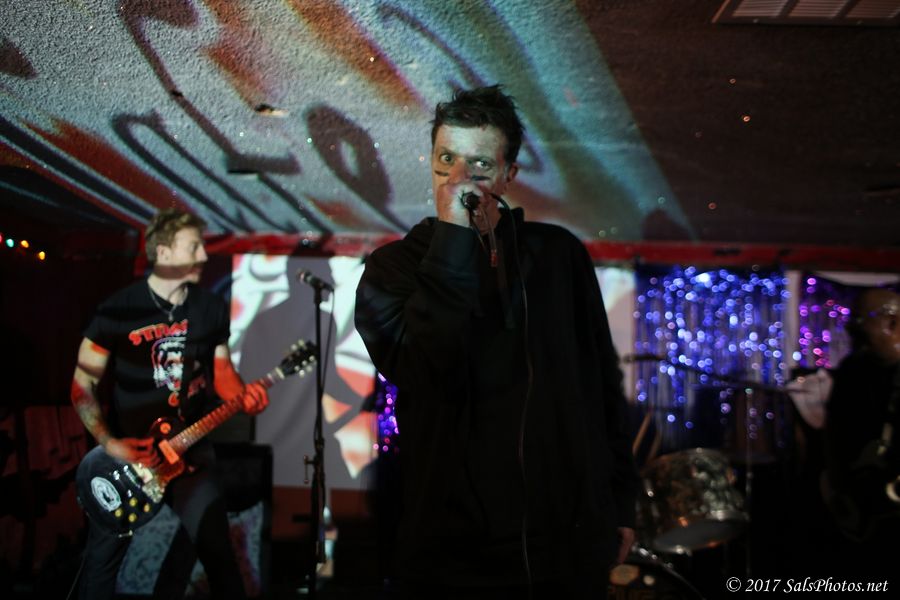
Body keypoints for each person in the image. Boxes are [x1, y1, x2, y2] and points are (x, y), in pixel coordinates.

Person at [355, 85, 639, 598]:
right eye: (448, 159)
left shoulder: (557, 256)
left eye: (481, 165)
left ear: (509, 174)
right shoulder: (392, 269)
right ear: (431, 161)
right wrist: (453, 239)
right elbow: (423, 365)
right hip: (452, 555)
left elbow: (600, 382)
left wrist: (619, 502)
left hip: (565, 547)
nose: (460, 178)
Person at [71, 209, 268, 599]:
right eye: (193, 247)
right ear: (163, 252)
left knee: (217, 552)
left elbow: (222, 372)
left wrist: (244, 397)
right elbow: (82, 385)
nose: (204, 256)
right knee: (102, 561)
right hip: (131, 457)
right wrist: (111, 444)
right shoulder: (117, 310)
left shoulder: (210, 308)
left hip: (190, 448)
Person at [823, 287, 900, 579]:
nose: (850, 331)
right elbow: (835, 434)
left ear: (892, 322)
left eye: (859, 322)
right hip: (860, 509)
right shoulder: (853, 370)